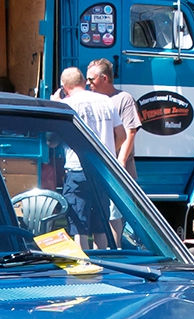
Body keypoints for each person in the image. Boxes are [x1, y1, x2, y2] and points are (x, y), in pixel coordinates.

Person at [56, 66, 123, 247]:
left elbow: (53, 139)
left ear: (64, 86)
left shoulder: (66, 105)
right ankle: (106, 263)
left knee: (79, 225)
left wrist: (53, 103)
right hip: (102, 169)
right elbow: (122, 134)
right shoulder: (107, 101)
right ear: (83, 82)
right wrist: (106, 152)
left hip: (77, 169)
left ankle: (84, 267)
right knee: (101, 223)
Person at [85, 59, 138, 178]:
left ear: (104, 78)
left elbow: (130, 131)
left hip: (118, 167)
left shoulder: (124, 99)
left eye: (91, 79)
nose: (88, 83)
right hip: (96, 165)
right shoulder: (88, 101)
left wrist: (121, 161)